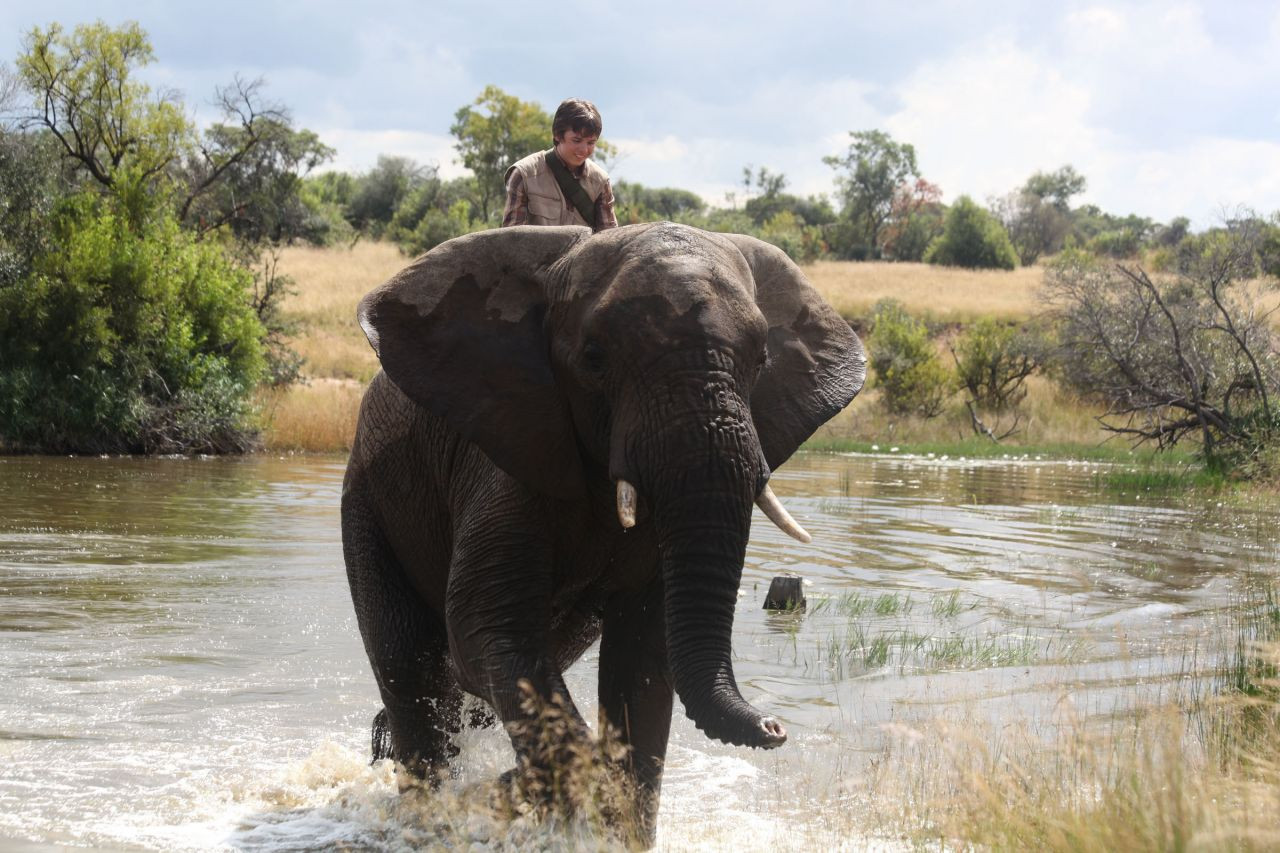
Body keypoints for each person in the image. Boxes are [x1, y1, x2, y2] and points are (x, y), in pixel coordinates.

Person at [501, 98, 617, 232]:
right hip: (535, 253)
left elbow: (609, 238)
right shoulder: (523, 174)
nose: (584, 150)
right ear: (557, 135)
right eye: (576, 140)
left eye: (591, 143)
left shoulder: (600, 181)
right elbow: (511, 239)